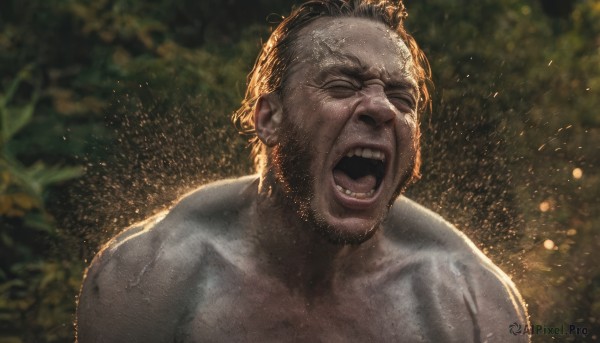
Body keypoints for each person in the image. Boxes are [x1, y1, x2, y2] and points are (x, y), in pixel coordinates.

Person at [76, 0, 529, 341]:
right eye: (342, 85)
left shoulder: (470, 302)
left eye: (401, 98)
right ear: (270, 119)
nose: (380, 108)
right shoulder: (147, 278)